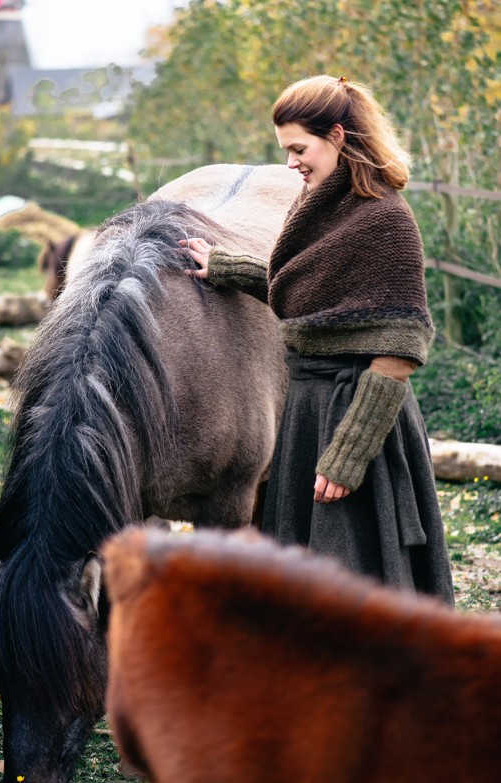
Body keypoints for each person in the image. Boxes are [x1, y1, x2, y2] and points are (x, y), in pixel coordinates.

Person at [180, 74, 454, 605]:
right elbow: (311, 299)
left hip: (357, 418)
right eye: (285, 150)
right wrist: (225, 266)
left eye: (299, 148)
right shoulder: (319, 206)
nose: (290, 163)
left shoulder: (385, 220)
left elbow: (398, 352)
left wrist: (348, 455)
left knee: (355, 575)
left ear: (338, 135)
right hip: (304, 411)